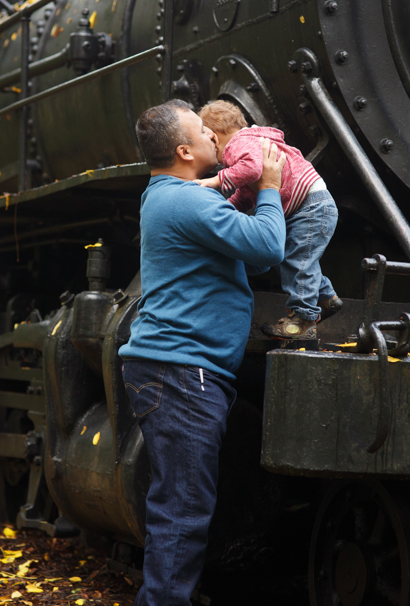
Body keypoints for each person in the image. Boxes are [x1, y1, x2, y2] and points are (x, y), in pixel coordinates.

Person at [118, 99, 286, 606]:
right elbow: (267, 248)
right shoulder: (190, 202)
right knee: (184, 510)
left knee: (179, 503)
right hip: (182, 372)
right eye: (204, 133)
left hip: (174, 369)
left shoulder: (167, 195)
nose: (217, 138)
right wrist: (273, 188)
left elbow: (232, 237)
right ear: (184, 150)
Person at [196, 100, 341, 338]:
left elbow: (252, 170)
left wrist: (215, 181)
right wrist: (226, 208)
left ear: (215, 136)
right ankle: (326, 298)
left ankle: (303, 321)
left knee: (298, 261)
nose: (218, 158)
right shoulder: (251, 142)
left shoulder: (238, 145)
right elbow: (248, 191)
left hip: (310, 207)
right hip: (311, 205)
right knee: (296, 258)